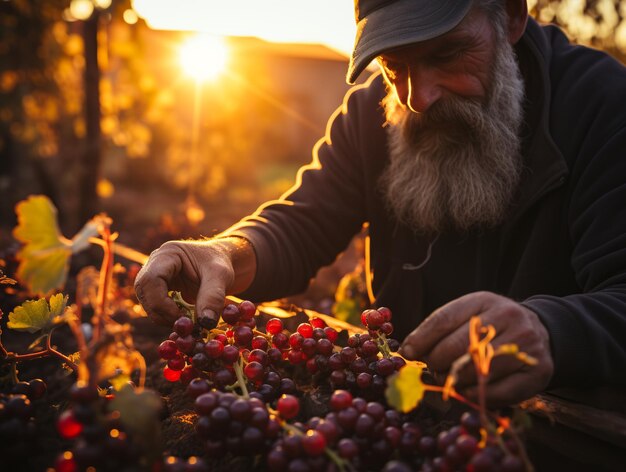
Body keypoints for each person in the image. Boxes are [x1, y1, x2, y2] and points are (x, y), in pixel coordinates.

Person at [135, 0, 626, 407]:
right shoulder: (372, 114)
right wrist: (224, 253)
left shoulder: (602, 107)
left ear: (511, 17)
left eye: (449, 53)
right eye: (396, 67)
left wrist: (550, 330)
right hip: (404, 412)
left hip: (553, 432)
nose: (418, 97)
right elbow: (303, 224)